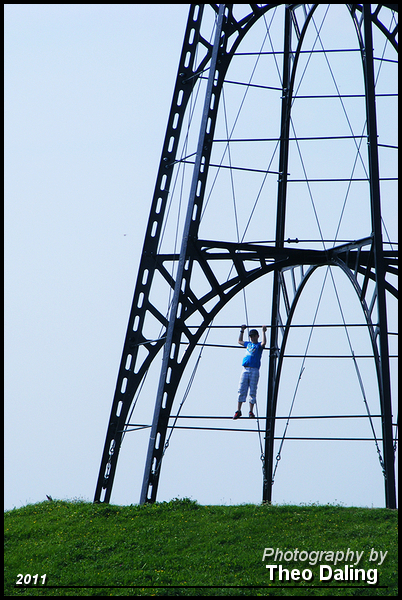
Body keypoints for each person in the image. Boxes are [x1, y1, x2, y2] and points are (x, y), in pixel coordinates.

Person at [233, 325, 267, 419]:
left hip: (254, 370)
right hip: (245, 369)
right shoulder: (248, 344)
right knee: (241, 389)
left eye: (254, 336)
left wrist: (263, 331)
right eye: (251, 336)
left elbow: (264, 343)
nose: (252, 338)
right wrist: (242, 331)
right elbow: (239, 341)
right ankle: (238, 410)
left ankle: (251, 411)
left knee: (252, 391)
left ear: (257, 336)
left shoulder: (259, 345)